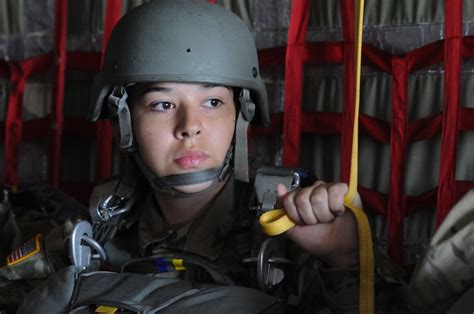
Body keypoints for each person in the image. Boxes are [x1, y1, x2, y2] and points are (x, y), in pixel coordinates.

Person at [4, 0, 425, 313]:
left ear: (240, 116)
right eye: (162, 105)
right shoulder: (94, 233)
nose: (191, 126)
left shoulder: (291, 235)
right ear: (123, 118)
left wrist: (344, 259)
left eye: (212, 103)